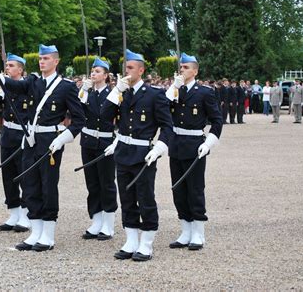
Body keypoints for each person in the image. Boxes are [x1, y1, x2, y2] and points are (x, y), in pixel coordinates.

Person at [0, 44, 85, 252]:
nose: (42, 62)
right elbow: (16, 87)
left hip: (51, 141)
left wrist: (63, 139)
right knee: (30, 185)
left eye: (46, 59)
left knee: (48, 187)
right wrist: (0, 78)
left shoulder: (66, 86)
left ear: (56, 61)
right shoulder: (33, 82)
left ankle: (48, 235)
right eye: (41, 59)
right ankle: (35, 232)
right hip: (31, 140)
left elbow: (79, 120)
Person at [102, 49, 173, 262]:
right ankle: (131, 240)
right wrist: (116, 93)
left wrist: (159, 148)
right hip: (123, 151)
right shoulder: (121, 94)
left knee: (145, 198)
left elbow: (167, 127)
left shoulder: (155, 94)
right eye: (125, 68)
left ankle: (146, 243)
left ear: (141, 70)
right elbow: (105, 117)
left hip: (143, 154)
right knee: (126, 198)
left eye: (131, 68)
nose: (127, 71)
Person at [165, 53, 223, 251]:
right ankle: (185, 230)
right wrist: (174, 87)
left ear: (195, 71)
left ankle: (198, 232)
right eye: (181, 67)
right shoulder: (175, 90)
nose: (182, 70)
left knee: (195, 189)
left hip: (195, 144)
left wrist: (209, 143)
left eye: (186, 67)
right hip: (176, 144)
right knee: (178, 190)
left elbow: (217, 120)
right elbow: (164, 109)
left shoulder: (205, 92)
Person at [0, 53, 31, 232]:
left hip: (22, 135)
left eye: (12, 66)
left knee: (24, 175)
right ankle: (14, 212)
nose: (8, 68)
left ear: (20, 69)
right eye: (7, 65)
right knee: (8, 175)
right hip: (7, 134)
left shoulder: (27, 86)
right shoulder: (3, 86)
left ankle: (26, 213)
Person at [78, 57, 117, 241]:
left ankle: (108, 223)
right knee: (92, 183)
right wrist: (82, 91)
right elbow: (76, 112)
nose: (94, 74)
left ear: (106, 76)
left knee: (107, 183)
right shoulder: (87, 93)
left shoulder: (113, 94)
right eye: (92, 71)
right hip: (88, 143)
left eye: (98, 71)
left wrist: (116, 143)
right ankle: (96, 220)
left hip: (105, 143)